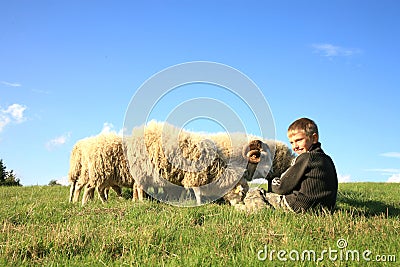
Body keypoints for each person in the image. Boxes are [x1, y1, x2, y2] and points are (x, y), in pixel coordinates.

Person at [240, 117, 338, 213]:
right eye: (292, 142)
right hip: (325, 208)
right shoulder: (328, 160)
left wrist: (274, 179)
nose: (295, 146)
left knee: (255, 193)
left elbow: (282, 187)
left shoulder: (306, 158)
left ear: (314, 138)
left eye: (299, 140)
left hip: (298, 205)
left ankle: (258, 211)